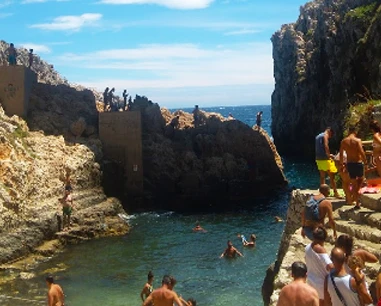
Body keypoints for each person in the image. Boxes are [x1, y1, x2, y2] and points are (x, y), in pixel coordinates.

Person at [339, 126, 367, 209]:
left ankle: (357, 202)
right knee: (361, 180)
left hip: (350, 164)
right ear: (355, 132)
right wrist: (365, 162)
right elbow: (361, 152)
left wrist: (342, 164)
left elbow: (341, 154)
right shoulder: (357, 140)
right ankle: (356, 197)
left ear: (348, 131)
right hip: (358, 163)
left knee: (354, 183)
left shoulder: (344, 141)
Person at [305, 226, 334, 306]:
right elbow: (331, 266)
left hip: (311, 281)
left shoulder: (307, 247)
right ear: (324, 238)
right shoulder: (320, 249)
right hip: (321, 283)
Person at [315, 127, 340, 197]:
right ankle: (336, 193)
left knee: (322, 177)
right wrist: (329, 155)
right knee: (332, 177)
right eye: (331, 135)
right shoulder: (325, 135)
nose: (330, 137)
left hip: (318, 158)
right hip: (325, 159)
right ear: (329, 132)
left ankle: (322, 193)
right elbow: (326, 146)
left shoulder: (318, 136)